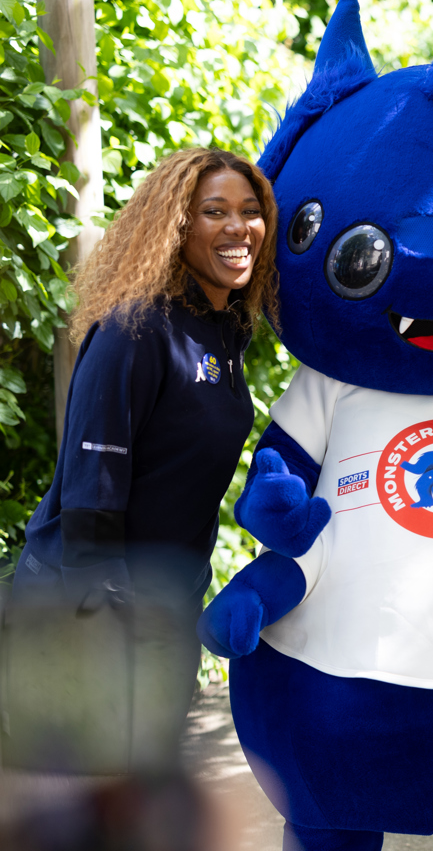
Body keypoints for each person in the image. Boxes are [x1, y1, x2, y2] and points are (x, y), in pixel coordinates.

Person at [10, 147, 278, 768]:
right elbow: (90, 489)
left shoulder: (227, 328)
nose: (239, 228)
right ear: (176, 224)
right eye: (215, 211)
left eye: (250, 211)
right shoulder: (136, 327)